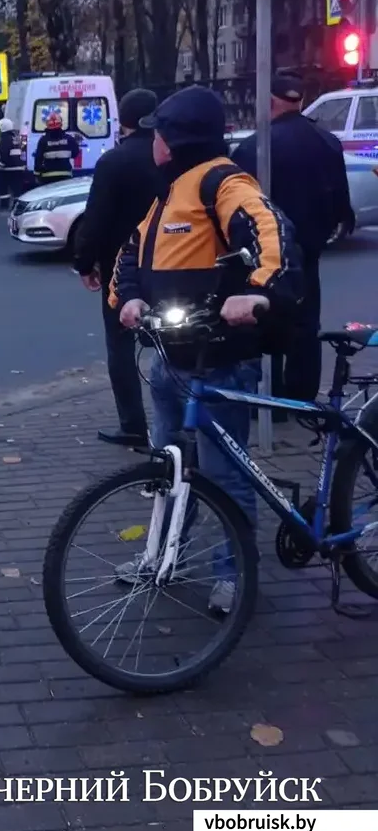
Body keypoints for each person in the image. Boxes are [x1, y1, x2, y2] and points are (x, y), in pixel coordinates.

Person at [110, 84, 303, 615]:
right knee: (169, 471)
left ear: (172, 140)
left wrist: (257, 294)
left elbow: (272, 236)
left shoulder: (222, 182)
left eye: (157, 134)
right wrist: (126, 298)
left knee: (223, 477)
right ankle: (163, 556)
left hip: (220, 359)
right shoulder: (168, 193)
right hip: (171, 356)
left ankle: (232, 576)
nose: (151, 143)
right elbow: (133, 252)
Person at [232, 70, 354, 402]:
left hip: (266, 250)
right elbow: (340, 200)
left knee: (265, 318)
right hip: (309, 248)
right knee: (306, 319)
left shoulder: (254, 147)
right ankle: (302, 393)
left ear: (269, 102)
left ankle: (268, 397)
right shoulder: (327, 141)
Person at [73, 89, 161, 447]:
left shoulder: (114, 162)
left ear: (121, 121)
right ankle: (182, 420)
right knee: (177, 343)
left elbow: (96, 219)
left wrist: (84, 263)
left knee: (121, 345)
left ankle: (133, 423)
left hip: (121, 268)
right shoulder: (171, 157)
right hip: (174, 263)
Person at [33, 111, 80, 185]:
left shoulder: (43, 140)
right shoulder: (69, 139)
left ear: (47, 125)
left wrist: (37, 174)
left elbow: (38, 158)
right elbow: (75, 153)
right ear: (61, 124)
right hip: (65, 174)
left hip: (47, 176)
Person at [0, 118, 23, 210]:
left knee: (3, 187)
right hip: (18, 167)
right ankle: (17, 205)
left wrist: (1, 164)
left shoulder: (4, 138)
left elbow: (3, 152)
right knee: (17, 188)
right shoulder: (16, 137)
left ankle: (4, 205)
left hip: (7, 168)